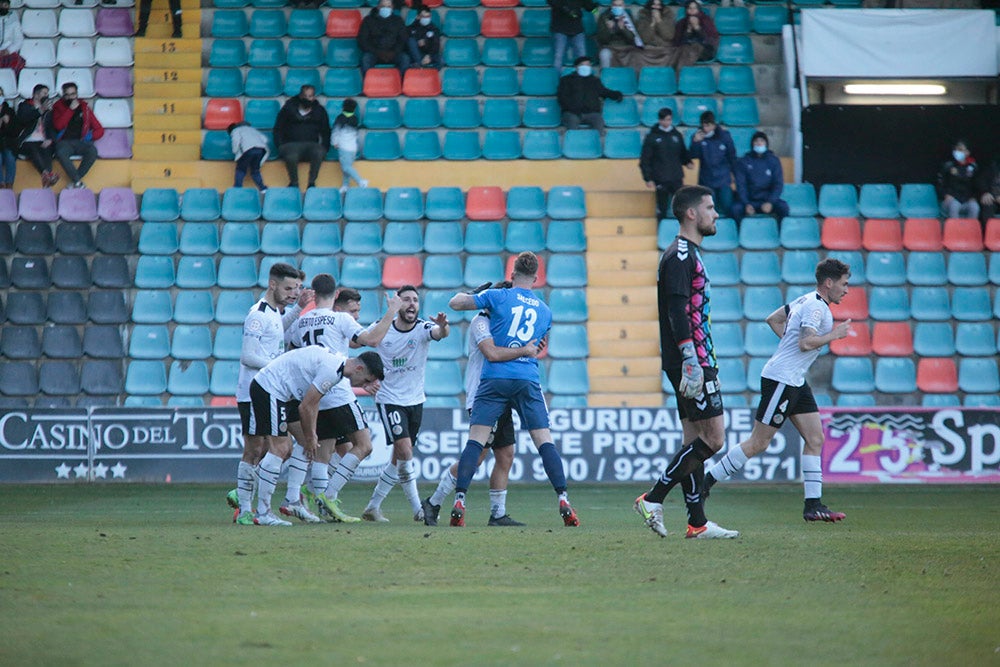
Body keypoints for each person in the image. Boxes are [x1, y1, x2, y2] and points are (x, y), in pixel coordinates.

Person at [704, 259, 852, 522]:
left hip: (795, 380)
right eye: (844, 284)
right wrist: (834, 335)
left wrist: (790, 349)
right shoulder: (816, 308)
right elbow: (806, 342)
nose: (846, 290)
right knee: (759, 443)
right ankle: (704, 484)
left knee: (815, 439)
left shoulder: (805, 300)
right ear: (829, 283)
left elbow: (774, 319)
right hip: (781, 380)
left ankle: (813, 506)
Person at [633, 185, 739, 540]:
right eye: (710, 208)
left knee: (693, 438)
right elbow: (677, 310)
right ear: (691, 213)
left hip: (692, 358)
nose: (716, 214)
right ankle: (653, 498)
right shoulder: (680, 255)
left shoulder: (688, 253)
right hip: (691, 360)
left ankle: (697, 523)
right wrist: (691, 359)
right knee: (714, 439)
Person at [447, 252, 580, 528]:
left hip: (495, 377)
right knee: (544, 441)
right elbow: (537, 346)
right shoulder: (545, 311)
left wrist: (477, 293)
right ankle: (563, 498)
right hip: (527, 378)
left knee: (476, 441)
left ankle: (460, 499)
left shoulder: (497, 297)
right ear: (536, 277)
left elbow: (455, 303)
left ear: (512, 274)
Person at [283, 274, 402, 523]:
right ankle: (328, 495)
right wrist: (391, 312)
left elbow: (291, 350)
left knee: (323, 449)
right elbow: (371, 340)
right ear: (336, 295)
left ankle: (313, 497)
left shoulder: (301, 322)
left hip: (314, 391)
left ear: (313, 295)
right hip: (336, 390)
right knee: (364, 445)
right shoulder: (340, 319)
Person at [421, 281, 540, 528]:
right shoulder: (481, 322)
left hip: (502, 394)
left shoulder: (503, 325)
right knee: (477, 457)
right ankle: (434, 502)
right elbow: (492, 353)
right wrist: (524, 351)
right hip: (483, 395)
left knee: (506, 455)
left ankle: (497, 514)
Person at [248, 347, 384, 526]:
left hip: (283, 393)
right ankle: (263, 511)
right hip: (270, 388)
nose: (362, 386)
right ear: (359, 369)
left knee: (306, 445)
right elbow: (306, 407)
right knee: (280, 448)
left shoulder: (336, 365)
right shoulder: (332, 370)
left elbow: (312, 404)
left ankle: (292, 501)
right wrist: (312, 436)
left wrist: (311, 437)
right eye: (365, 380)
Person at [361, 285, 450, 523]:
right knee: (405, 450)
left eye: (415, 300)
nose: (412, 304)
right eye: (406, 300)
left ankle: (372, 507)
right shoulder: (382, 328)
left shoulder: (423, 328)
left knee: (398, 457)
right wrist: (366, 381)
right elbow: (360, 344)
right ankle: (418, 509)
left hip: (415, 400)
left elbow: (440, 334)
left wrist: (443, 325)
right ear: (397, 304)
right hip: (389, 399)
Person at [229, 262, 308, 525]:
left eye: (296, 288)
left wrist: (297, 309)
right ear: (272, 284)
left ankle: (246, 499)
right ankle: (247, 509)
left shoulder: (274, 312)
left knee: (273, 449)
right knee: (256, 449)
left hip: (271, 391)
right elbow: (248, 356)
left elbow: (277, 329)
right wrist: (280, 366)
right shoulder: (257, 314)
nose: (293, 293)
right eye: (288, 288)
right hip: (254, 392)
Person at [273, 85, 330, 190]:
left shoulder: (320, 111)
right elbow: (278, 128)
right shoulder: (288, 108)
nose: (308, 99)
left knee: (319, 152)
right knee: (291, 155)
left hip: (312, 144)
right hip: (291, 144)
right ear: (300, 95)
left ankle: (311, 183)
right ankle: (294, 183)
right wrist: (280, 145)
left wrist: (325, 148)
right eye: (305, 96)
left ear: (314, 97)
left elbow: (326, 131)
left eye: (310, 96)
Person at [639, 107, 691, 222]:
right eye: (664, 120)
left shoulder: (676, 135)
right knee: (661, 208)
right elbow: (645, 159)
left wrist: (688, 162)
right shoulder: (652, 137)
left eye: (669, 120)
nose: (667, 123)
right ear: (660, 120)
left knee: (681, 206)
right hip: (660, 177)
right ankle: (661, 232)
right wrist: (648, 178)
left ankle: (682, 232)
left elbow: (682, 152)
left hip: (676, 176)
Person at [50, 82, 104, 190]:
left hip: (82, 141)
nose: (70, 97)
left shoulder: (84, 108)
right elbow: (58, 126)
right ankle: (78, 182)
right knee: (60, 152)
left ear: (77, 94)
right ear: (63, 95)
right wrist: (71, 110)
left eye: (73, 94)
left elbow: (100, 129)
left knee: (92, 151)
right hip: (65, 142)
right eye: (67, 95)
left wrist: (90, 136)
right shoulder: (58, 107)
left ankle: (76, 181)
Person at [731, 131, 789, 225]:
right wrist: (746, 203)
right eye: (756, 141)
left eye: (762, 141)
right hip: (750, 201)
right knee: (735, 209)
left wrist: (770, 202)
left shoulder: (773, 161)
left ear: (766, 144)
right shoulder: (744, 161)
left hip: (767, 200)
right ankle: (741, 234)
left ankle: (780, 235)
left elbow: (778, 184)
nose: (759, 143)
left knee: (784, 207)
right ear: (752, 144)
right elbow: (741, 185)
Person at [556, 56, 624, 134]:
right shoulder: (566, 80)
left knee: (599, 123)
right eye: (582, 65)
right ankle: (572, 144)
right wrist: (572, 108)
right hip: (572, 113)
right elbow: (562, 97)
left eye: (588, 65)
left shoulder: (594, 80)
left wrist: (616, 95)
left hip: (591, 112)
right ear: (576, 67)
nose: (586, 67)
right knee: (572, 125)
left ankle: (599, 144)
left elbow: (603, 91)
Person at [688, 111, 737, 217]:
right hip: (706, 179)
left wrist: (733, 173)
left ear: (714, 125)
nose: (706, 128)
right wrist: (695, 142)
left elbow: (732, 156)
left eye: (708, 125)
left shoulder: (725, 136)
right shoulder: (697, 137)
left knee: (727, 205)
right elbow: (692, 156)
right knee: (708, 208)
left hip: (723, 178)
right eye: (704, 125)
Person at [15, 84, 59, 188]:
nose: (46, 96)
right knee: (33, 148)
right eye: (44, 93)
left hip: (42, 140)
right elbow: (23, 119)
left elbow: (51, 128)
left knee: (48, 148)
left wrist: (50, 139)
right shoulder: (24, 105)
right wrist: (40, 111)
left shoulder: (48, 111)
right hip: (26, 141)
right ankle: (46, 175)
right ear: (36, 94)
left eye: (47, 94)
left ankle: (47, 176)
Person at [358, 0, 410, 75]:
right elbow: (362, 40)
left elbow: (403, 39)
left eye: (388, 6)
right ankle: (369, 83)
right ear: (378, 7)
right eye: (383, 6)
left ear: (392, 7)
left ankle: (399, 83)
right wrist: (376, 52)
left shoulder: (398, 20)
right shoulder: (368, 20)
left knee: (405, 59)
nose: (386, 8)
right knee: (365, 59)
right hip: (374, 53)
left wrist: (394, 51)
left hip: (393, 53)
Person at [937, 139, 980, 220]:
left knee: (974, 207)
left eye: (960, 150)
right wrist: (945, 195)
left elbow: (976, 184)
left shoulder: (973, 166)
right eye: (956, 149)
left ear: (967, 152)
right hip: (951, 199)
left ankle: (971, 231)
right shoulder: (948, 166)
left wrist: (974, 197)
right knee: (954, 205)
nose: (957, 152)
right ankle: (955, 231)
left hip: (967, 199)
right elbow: (940, 183)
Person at [548, 0, 597, 71]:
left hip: (577, 29)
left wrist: (597, 11)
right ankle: (556, 79)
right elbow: (552, 2)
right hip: (559, 28)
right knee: (558, 56)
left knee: (582, 56)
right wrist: (567, 9)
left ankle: (583, 79)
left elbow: (590, 7)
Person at [332, 98, 367, 194]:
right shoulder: (355, 119)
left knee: (346, 167)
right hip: (353, 147)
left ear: (343, 107)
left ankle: (360, 181)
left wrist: (334, 142)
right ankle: (345, 185)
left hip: (344, 147)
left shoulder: (340, 118)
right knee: (347, 167)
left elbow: (336, 131)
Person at [632, 0, 679, 70]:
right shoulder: (643, 17)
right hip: (647, 49)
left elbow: (669, 36)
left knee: (675, 54)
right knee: (635, 55)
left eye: (658, 5)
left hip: (664, 49)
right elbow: (644, 39)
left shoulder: (668, 17)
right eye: (654, 4)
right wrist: (652, 24)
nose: (656, 7)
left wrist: (659, 21)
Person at [595, 0, 642, 69]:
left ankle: (631, 78)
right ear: (611, 6)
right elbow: (601, 39)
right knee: (604, 54)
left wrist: (623, 29)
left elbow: (633, 38)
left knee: (638, 54)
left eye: (620, 5)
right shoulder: (604, 17)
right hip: (610, 46)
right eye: (615, 5)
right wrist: (610, 30)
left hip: (626, 47)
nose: (617, 7)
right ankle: (605, 77)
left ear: (624, 6)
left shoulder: (628, 17)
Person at [673, 0, 719, 69]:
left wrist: (697, 28)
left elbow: (711, 40)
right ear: (686, 10)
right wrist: (688, 31)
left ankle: (680, 74)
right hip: (686, 50)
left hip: (704, 51)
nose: (692, 10)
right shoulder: (682, 23)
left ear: (698, 10)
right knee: (683, 49)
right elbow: (677, 42)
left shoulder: (706, 20)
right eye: (690, 8)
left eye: (694, 8)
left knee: (691, 48)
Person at [227, 121, 268, 191]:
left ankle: (237, 188)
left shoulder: (236, 130)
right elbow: (265, 139)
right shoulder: (253, 130)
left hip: (247, 150)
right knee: (255, 170)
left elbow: (236, 140)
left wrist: (235, 151)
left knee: (241, 170)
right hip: (260, 149)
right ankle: (263, 188)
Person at [0, 0, 25, 74]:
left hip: (7, 53)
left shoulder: (13, 21)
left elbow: (19, 40)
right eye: (1, 4)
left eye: (6, 5)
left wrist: (8, 51)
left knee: (18, 61)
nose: (3, 7)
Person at [976, 154, 1000, 228]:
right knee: (987, 204)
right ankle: (988, 233)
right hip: (992, 198)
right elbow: (981, 181)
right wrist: (986, 192)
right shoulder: (992, 169)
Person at [0, 89, 16, 188]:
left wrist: (7, 123)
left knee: (10, 156)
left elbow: (14, 131)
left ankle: (9, 185)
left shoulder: (9, 111)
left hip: (7, 142)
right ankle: (1, 184)